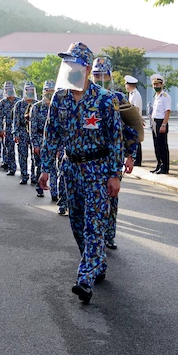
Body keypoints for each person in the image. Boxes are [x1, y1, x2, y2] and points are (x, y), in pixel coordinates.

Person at [39, 42, 123, 304]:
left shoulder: (105, 99)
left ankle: (84, 279)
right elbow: (51, 134)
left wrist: (114, 174)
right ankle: (97, 262)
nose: (69, 69)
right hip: (70, 168)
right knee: (76, 223)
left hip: (97, 170)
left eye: (74, 64)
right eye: (67, 64)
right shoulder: (60, 98)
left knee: (93, 225)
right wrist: (45, 168)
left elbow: (115, 139)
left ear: (87, 68)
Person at [91, 57, 137, 251]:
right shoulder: (83, 96)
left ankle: (109, 235)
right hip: (89, 160)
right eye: (96, 75)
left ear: (110, 76)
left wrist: (130, 155)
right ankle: (94, 238)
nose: (100, 78)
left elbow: (131, 128)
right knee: (91, 202)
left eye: (103, 74)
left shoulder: (118, 98)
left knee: (111, 197)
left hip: (112, 158)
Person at [29, 80, 56, 198]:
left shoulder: (58, 106)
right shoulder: (37, 107)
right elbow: (33, 128)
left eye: (52, 91)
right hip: (40, 140)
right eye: (47, 91)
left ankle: (55, 193)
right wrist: (35, 144)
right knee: (39, 165)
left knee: (55, 168)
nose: (49, 93)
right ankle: (39, 187)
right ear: (43, 92)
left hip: (54, 141)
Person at [13, 81, 37, 185]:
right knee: (23, 155)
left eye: (31, 89)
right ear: (25, 91)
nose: (29, 91)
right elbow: (16, 120)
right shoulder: (19, 104)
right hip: (22, 131)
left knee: (34, 156)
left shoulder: (37, 104)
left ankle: (34, 176)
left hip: (34, 132)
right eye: (28, 89)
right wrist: (16, 134)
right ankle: (24, 175)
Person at [150, 73, 171, 174]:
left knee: (162, 145)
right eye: (154, 85)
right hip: (154, 121)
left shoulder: (165, 96)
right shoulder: (156, 96)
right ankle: (159, 164)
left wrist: (164, 124)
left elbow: (167, 111)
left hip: (161, 122)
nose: (156, 86)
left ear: (162, 85)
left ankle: (165, 167)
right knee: (156, 145)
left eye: (158, 84)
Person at [0, 82, 19, 175]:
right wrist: (0, 129)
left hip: (19, 129)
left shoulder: (19, 101)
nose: (8, 91)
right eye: (6, 89)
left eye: (9, 89)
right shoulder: (2, 103)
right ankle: (12, 167)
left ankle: (24, 171)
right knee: (9, 149)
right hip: (8, 128)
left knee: (22, 151)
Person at [124, 75, 143, 167]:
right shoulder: (131, 94)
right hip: (132, 120)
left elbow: (136, 108)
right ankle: (135, 159)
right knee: (133, 139)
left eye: (126, 84)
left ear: (129, 85)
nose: (125, 86)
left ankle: (138, 160)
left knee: (137, 140)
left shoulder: (136, 94)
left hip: (135, 120)